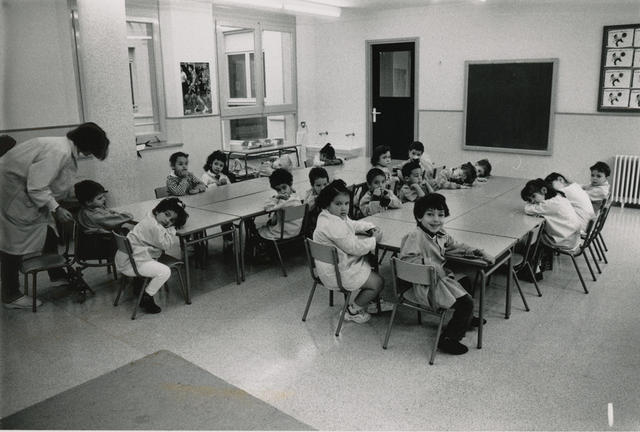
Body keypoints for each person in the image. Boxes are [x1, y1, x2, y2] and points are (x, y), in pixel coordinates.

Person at [0, 122, 110, 309]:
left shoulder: (62, 147)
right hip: (14, 197)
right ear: (87, 144)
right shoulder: (59, 151)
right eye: (92, 150)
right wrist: (57, 208)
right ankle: (11, 295)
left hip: (24, 195)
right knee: (13, 245)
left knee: (49, 230)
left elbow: (56, 180)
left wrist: (73, 196)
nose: (90, 154)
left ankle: (56, 274)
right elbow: (37, 187)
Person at [399, 193, 493, 355]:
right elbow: (407, 262)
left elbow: (455, 246)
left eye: (440, 215)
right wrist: (431, 266)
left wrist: (478, 252)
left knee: (466, 281)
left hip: (439, 279)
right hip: (423, 285)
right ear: (419, 217)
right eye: (430, 214)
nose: (436, 219)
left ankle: (466, 318)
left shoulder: (440, 233)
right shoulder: (414, 236)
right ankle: (449, 338)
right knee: (467, 303)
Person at [313, 179, 392, 322]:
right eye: (338, 204)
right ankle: (353, 311)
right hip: (338, 273)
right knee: (378, 282)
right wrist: (374, 240)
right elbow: (355, 248)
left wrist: (369, 227)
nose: (344, 208)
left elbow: (352, 224)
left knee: (370, 261)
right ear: (327, 204)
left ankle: (371, 300)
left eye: (346, 203)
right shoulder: (333, 225)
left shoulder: (329, 216)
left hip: (332, 266)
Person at [114, 198, 189, 314]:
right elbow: (166, 245)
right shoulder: (153, 227)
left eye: (172, 220)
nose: (167, 221)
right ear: (158, 211)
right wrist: (172, 229)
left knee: (156, 259)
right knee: (165, 272)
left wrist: (167, 228)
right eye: (167, 214)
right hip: (131, 264)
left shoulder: (150, 218)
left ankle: (138, 286)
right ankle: (146, 296)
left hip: (126, 258)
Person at [521, 179, 582, 270]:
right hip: (573, 236)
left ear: (544, 190)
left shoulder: (549, 204)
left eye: (533, 196)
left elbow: (528, 209)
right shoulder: (558, 196)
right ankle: (540, 263)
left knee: (531, 238)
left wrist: (529, 204)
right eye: (530, 200)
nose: (533, 201)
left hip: (566, 241)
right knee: (539, 232)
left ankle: (534, 268)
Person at [257, 168, 304, 240]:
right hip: (296, 231)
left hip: (282, 234)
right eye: (278, 190)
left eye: (284, 187)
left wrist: (276, 197)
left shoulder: (285, 202)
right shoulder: (296, 196)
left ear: (290, 184)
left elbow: (267, 207)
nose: (282, 192)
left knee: (260, 229)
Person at [304, 167, 329, 236]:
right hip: (316, 230)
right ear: (312, 186)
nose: (322, 188)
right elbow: (305, 210)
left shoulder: (330, 192)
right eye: (318, 185)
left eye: (325, 184)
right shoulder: (311, 197)